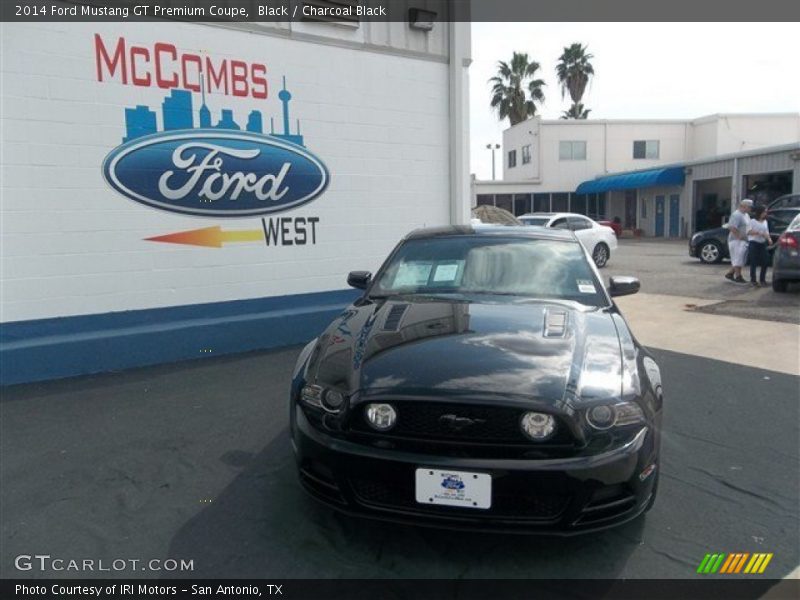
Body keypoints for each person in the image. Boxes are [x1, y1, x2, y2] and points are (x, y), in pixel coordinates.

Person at [724, 199, 753, 283]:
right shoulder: (736, 215)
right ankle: (738, 276)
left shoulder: (746, 215)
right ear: (743, 206)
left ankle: (730, 273)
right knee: (738, 258)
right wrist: (739, 236)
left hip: (744, 239)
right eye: (749, 207)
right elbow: (732, 227)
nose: (750, 209)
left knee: (741, 258)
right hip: (736, 240)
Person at [746, 205, 772, 287]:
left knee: (765, 261)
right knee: (754, 262)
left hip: (762, 243)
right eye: (764, 212)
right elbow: (748, 231)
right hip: (754, 242)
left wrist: (769, 239)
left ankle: (762, 279)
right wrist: (758, 233)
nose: (765, 213)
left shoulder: (765, 222)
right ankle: (753, 280)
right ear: (760, 212)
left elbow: (766, 232)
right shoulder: (752, 221)